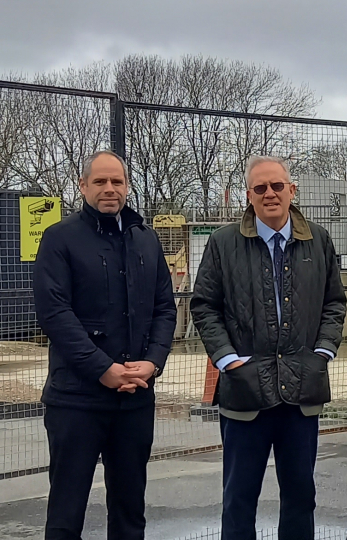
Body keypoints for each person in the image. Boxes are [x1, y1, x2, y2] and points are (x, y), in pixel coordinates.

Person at [190, 155, 347, 540]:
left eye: (277, 186)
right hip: (245, 392)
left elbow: (334, 302)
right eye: (260, 188)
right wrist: (228, 361)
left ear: (292, 190)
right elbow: (204, 305)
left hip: (301, 392)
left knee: (300, 496)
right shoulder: (223, 242)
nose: (270, 194)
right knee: (239, 498)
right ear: (249, 195)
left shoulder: (318, 240)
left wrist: (322, 353)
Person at [33, 150, 177, 540]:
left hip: (135, 398)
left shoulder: (146, 240)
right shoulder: (59, 238)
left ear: (127, 186)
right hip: (76, 400)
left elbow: (165, 308)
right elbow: (56, 315)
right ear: (83, 186)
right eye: (100, 181)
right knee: (66, 513)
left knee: (130, 512)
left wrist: (153, 362)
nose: (109, 189)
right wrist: (103, 369)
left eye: (117, 181)